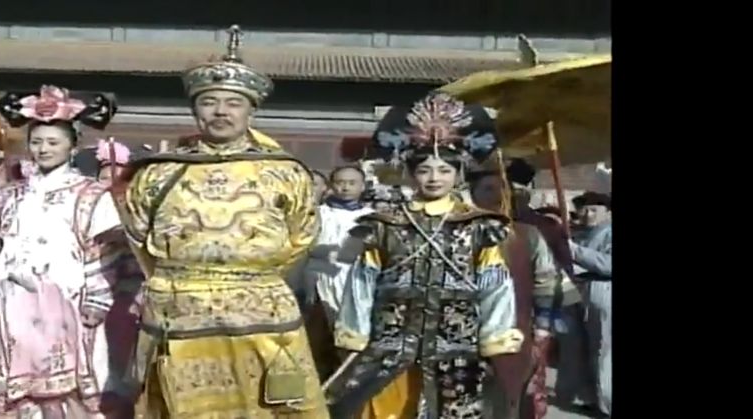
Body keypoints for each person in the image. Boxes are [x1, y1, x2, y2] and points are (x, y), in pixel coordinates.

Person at [118, 25, 327, 418]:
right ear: (195, 110)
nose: (220, 112)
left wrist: (251, 276)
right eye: (209, 102)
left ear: (251, 110)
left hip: (260, 311)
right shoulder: (159, 173)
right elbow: (138, 235)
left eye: (233, 103)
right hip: (179, 308)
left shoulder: (285, 172)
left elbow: (302, 235)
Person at [326, 92, 522, 419]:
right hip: (391, 342)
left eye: (444, 170)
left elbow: (495, 285)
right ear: (411, 173)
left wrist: (495, 336)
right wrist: (354, 332)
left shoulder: (478, 226)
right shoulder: (384, 224)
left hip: (455, 345)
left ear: (458, 174)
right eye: (425, 170)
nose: (434, 178)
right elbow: (362, 282)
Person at [0, 85, 142, 418]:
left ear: (73, 146)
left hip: (69, 295)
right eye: (37, 142)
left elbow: (104, 250)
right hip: (14, 296)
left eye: (53, 142)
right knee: (18, 364)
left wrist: (98, 299)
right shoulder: (8, 196)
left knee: (74, 368)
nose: (43, 149)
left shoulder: (91, 194)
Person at [469, 166, 575, 419]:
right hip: (463, 331)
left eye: (503, 189)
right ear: (472, 195)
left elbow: (546, 282)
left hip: (516, 331)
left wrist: (543, 328)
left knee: (510, 400)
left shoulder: (528, 234)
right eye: (488, 189)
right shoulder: (458, 233)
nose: (497, 195)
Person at [301, 166, 372, 379]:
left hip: (355, 283)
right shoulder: (317, 214)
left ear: (362, 186)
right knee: (316, 338)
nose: (346, 187)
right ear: (331, 186)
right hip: (318, 280)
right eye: (340, 182)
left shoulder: (370, 218)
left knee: (349, 341)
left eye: (352, 183)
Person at [570, 192, 612, 418]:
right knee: (582, 345)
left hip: (603, 288)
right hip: (581, 289)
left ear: (608, 213)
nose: (588, 214)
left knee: (603, 348)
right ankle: (589, 397)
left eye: (594, 210)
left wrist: (576, 252)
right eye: (585, 209)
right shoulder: (582, 233)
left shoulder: (609, 233)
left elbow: (608, 264)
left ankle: (607, 402)